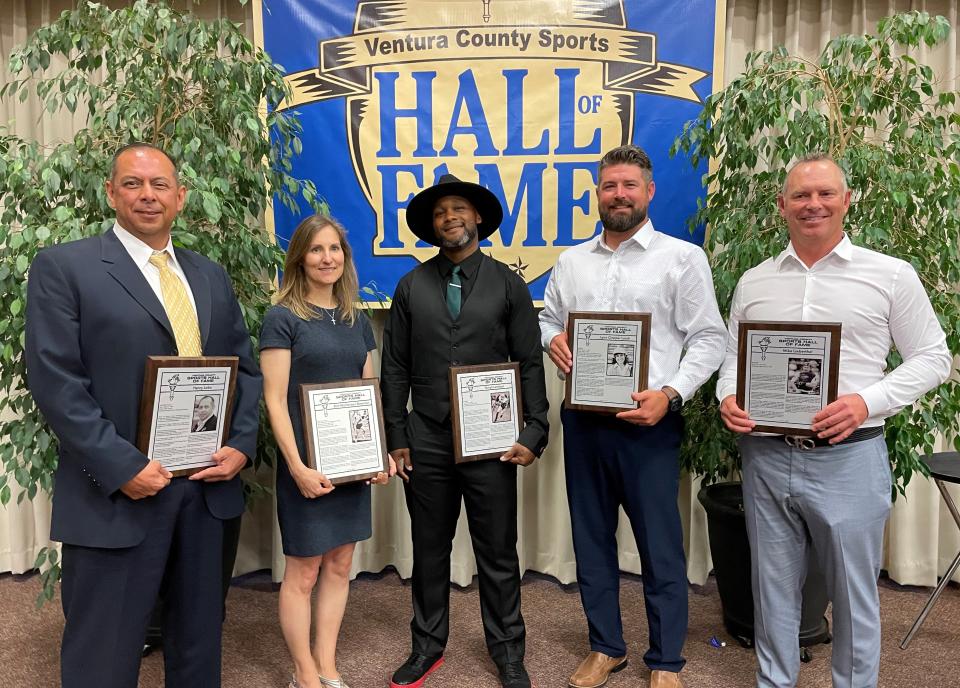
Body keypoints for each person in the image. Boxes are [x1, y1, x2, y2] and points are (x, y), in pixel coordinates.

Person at [25, 142, 261, 688]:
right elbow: (56, 381)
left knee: (198, 647)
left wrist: (242, 445)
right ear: (110, 192)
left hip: (206, 490)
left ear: (180, 197)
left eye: (160, 185)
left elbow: (244, 373)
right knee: (103, 655)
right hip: (117, 494)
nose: (147, 195)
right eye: (133, 183)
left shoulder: (210, 276)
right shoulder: (65, 267)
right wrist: (122, 466)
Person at [716, 153, 951, 688]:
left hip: (849, 457)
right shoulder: (755, 281)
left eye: (825, 193)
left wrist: (867, 402)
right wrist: (728, 395)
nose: (813, 204)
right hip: (767, 457)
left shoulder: (890, 275)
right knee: (771, 590)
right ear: (782, 205)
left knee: (852, 595)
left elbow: (934, 357)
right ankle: (774, 681)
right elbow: (734, 358)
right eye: (800, 195)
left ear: (847, 200)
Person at [540, 144, 726, 688]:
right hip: (584, 423)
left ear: (648, 191)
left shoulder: (682, 257)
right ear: (597, 194)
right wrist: (553, 340)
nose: (618, 195)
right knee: (591, 539)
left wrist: (671, 393)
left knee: (659, 544)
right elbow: (548, 319)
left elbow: (710, 338)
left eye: (628, 186)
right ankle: (606, 647)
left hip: (651, 423)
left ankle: (666, 660)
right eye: (608, 186)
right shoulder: (572, 262)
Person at [381, 174, 549, 688]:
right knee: (429, 549)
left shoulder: (508, 284)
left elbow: (528, 362)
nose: (449, 217)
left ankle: (507, 650)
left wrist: (534, 428)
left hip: (491, 438)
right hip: (426, 437)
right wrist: (396, 436)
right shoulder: (411, 286)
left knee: (497, 549)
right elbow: (394, 367)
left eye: (458, 209)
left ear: (477, 218)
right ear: (431, 227)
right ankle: (427, 646)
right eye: (439, 213)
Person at [260, 214, 394, 688]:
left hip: (350, 465)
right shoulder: (282, 317)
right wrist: (295, 466)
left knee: (339, 566)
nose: (327, 258)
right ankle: (303, 673)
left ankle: (328, 664)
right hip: (306, 466)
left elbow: (366, 392)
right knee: (303, 571)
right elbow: (274, 400)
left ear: (345, 257)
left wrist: (377, 456)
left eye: (334, 249)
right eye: (316, 249)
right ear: (300, 257)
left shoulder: (356, 318)